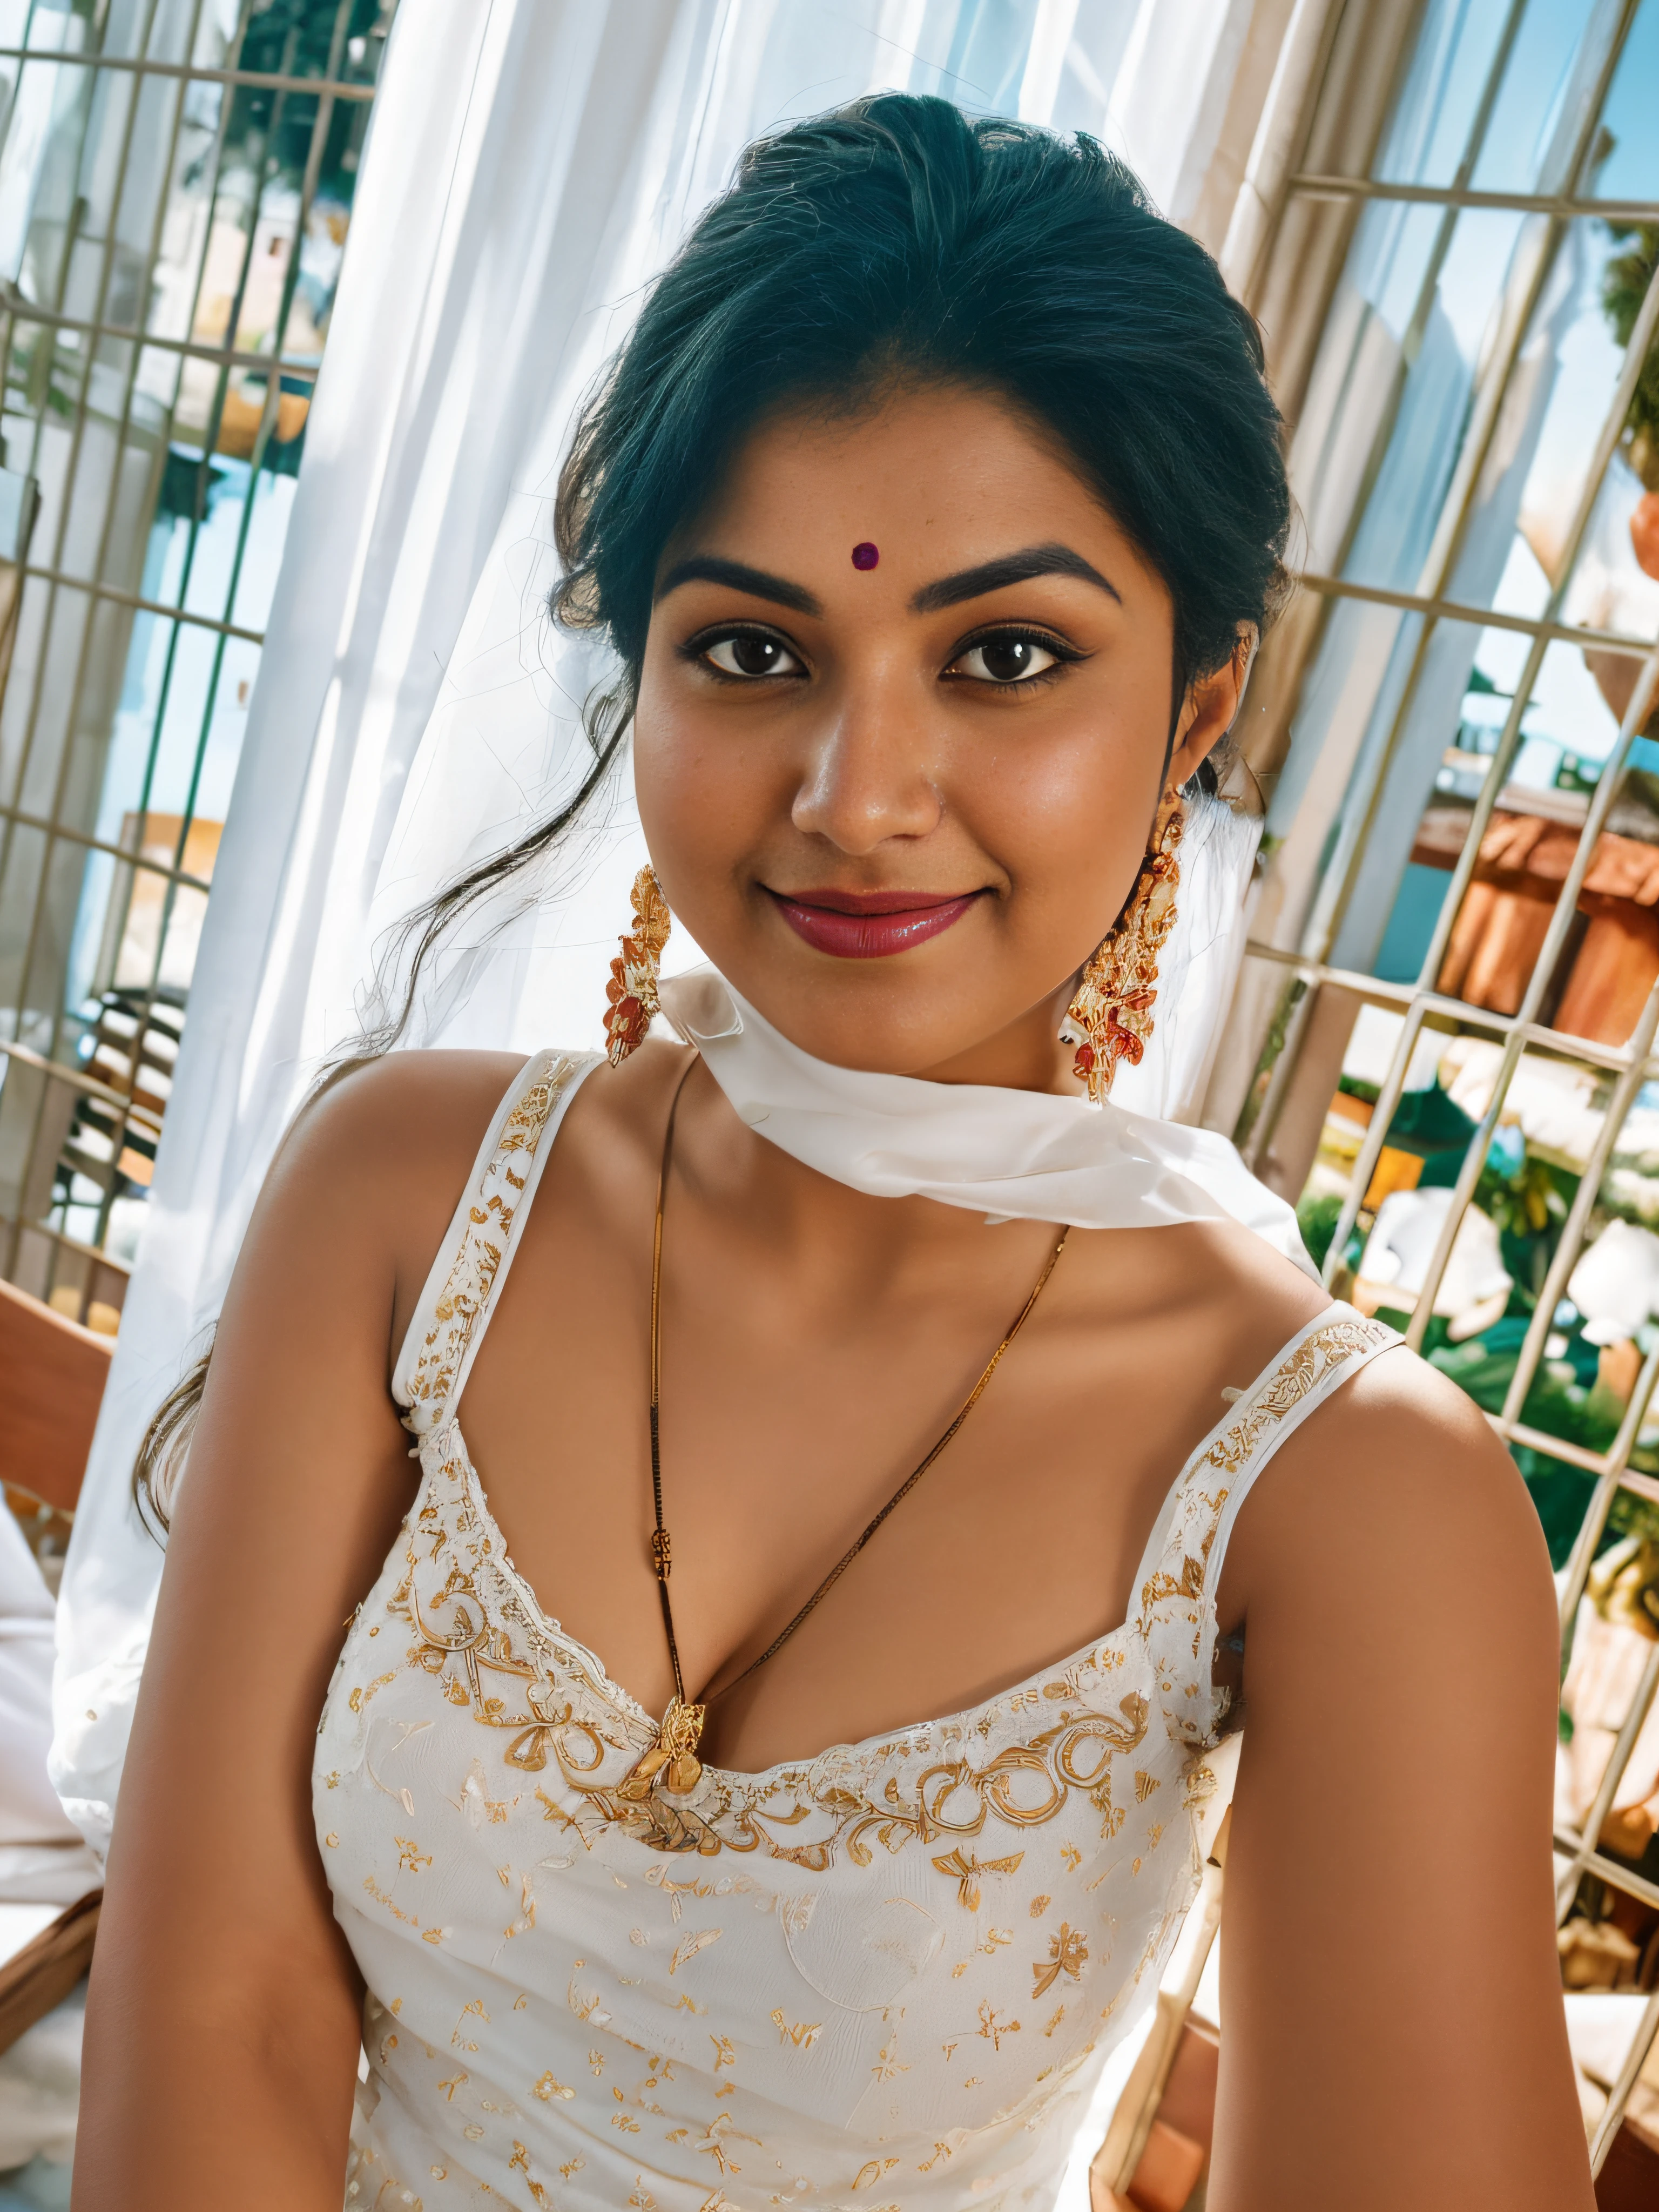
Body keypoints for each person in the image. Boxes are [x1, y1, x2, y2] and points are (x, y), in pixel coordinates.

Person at [72, 96, 1591, 2212]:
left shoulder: (1348, 1503)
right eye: (756, 650)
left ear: (1196, 714)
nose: (856, 792)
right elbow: (225, 2011)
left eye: (1005, 657)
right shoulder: (406, 1202)